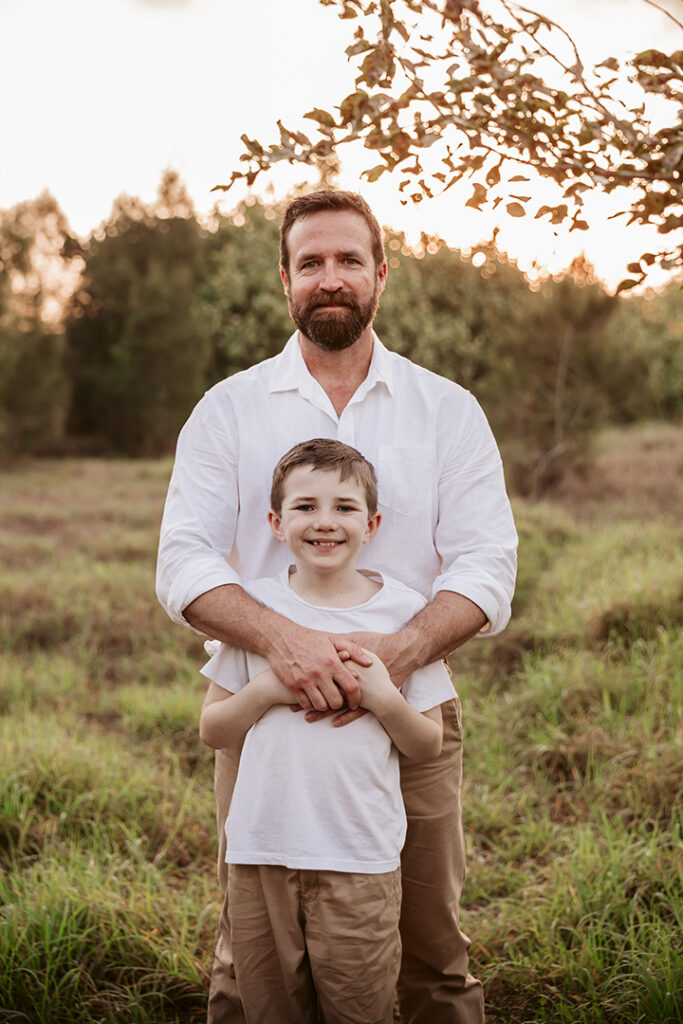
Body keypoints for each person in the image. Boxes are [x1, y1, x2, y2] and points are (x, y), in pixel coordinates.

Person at [156, 189, 518, 1024]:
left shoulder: (446, 410)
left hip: (409, 705)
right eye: (310, 262)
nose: (330, 277)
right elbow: (183, 559)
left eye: (348, 260)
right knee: (253, 962)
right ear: (283, 278)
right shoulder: (228, 409)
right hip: (263, 714)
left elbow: (488, 563)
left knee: (429, 949)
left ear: (380, 274)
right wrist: (287, 646)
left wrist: (394, 656)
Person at [199, 438, 455, 1024]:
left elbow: (427, 742)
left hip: (359, 857)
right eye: (305, 506)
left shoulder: (404, 615)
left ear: (374, 523)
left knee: (357, 1008)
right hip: (261, 852)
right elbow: (213, 728)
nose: (324, 522)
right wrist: (266, 688)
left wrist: (384, 698)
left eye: (344, 507)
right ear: (274, 521)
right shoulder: (255, 612)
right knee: (268, 1008)